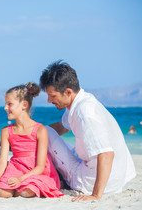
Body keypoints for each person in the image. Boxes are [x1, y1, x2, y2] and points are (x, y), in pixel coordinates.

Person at [39, 60, 136, 202]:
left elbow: (107, 154)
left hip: (94, 182)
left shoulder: (85, 114)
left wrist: (95, 195)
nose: (48, 101)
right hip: (113, 175)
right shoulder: (80, 101)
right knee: (45, 133)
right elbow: (61, 127)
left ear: (68, 92)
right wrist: (26, 135)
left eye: (52, 96)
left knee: (45, 132)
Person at [0, 82, 63, 198]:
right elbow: (2, 161)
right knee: (2, 192)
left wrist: (20, 179)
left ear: (24, 105)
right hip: (15, 168)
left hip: (36, 171)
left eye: (9, 104)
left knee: (24, 192)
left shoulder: (40, 130)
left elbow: (41, 166)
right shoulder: (6, 131)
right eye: (5, 104)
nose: (5, 107)